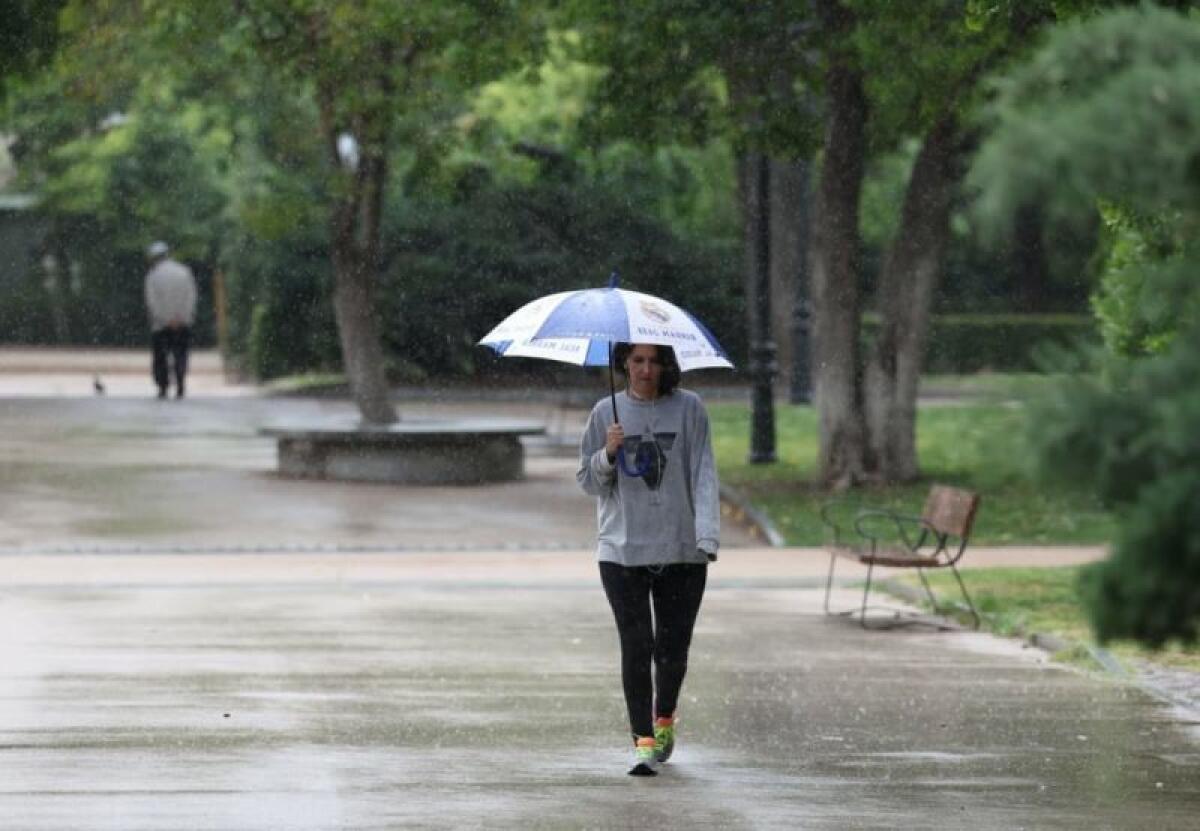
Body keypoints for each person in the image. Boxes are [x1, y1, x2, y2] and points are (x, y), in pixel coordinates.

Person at [576, 342, 720, 776]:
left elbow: (704, 472)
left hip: (682, 548)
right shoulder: (606, 412)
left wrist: (706, 534)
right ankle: (641, 740)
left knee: (672, 650)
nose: (645, 369)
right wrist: (609, 454)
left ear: (666, 366)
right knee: (636, 645)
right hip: (622, 550)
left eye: (653, 361)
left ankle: (663, 719)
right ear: (623, 364)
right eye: (637, 361)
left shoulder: (690, 409)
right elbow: (588, 481)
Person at [143, 241, 197, 399]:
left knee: (160, 356)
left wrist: (165, 319)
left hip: (160, 325)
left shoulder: (153, 276)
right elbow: (191, 297)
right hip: (183, 322)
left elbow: (152, 302)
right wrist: (182, 317)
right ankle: (180, 381)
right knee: (181, 353)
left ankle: (163, 386)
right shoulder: (184, 272)